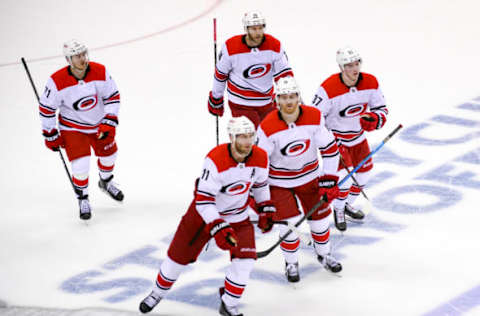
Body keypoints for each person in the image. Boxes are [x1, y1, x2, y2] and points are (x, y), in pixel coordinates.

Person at [139, 116, 275, 316]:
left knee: (246, 261)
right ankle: (157, 292)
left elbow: (261, 186)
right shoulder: (215, 160)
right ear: (231, 137)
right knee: (177, 259)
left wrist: (265, 208)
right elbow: (204, 200)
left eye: (250, 136)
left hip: (237, 216)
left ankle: (229, 304)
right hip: (203, 215)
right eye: (242, 137)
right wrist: (218, 225)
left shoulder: (261, 156)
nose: (247, 142)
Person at [256, 76, 342, 283]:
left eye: (292, 96)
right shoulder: (268, 126)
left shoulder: (313, 116)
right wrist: (260, 196)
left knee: (320, 221)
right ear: (277, 101)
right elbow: (259, 163)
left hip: (310, 177)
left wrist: (329, 178)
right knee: (289, 225)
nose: (289, 101)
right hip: (279, 183)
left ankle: (325, 254)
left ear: (298, 97)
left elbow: (330, 149)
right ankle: (291, 263)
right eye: (284, 97)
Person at [39, 39, 124, 220]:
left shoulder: (100, 71)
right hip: (72, 128)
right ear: (69, 59)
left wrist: (109, 120)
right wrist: (50, 133)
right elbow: (46, 108)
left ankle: (106, 182)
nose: (82, 58)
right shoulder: (56, 81)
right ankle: (83, 197)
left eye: (84, 54)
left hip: (99, 124)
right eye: (77, 56)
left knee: (109, 156)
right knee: (81, 165)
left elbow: (113, 96)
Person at [311, 46, 389, 231]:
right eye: (349, 65)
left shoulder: (370, 82)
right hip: (336, 139)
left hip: (358, 138)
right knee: (344, 177)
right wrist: (327, 139)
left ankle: (346, 204)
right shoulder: (328, 88)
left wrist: (375, 119)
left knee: (364, 174)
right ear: (341, 67)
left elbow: (381, 108)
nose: (355, 69)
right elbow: (315, 118)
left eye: (357, 64)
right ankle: (338, 208)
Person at [207, 10, 294, 128]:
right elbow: (220, 75)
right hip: (240, 104)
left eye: (260, 28)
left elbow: (285, 76)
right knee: (250, 140)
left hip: (266, 102)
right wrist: (216, 98)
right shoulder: (231, 48)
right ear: (246, 29)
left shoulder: (274, 46)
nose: (258, 32)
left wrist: (287, 96)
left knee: (271, 138)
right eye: (253, 29)